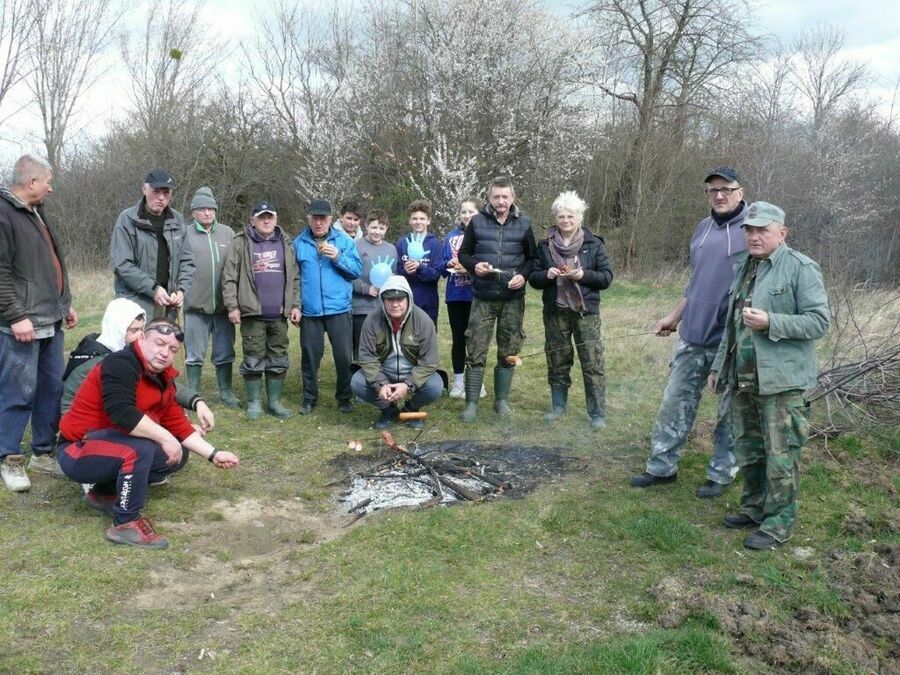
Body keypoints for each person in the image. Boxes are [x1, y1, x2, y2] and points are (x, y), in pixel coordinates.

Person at [57, 318, 240, 549]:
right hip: (76, 449)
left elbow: (178, 425)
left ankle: (104, 494)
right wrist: (166, 437)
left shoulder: (162, 378)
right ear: (141, 338)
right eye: (159, 343)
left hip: (109, 443)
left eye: (172, 349)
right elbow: (122, 413)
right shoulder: (120, 364)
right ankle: (125, 524)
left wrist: (214, 454)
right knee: (140, 449)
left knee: (176, 454)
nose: (164, 353)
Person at [709, 202, 829, 550]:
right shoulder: (744, 265)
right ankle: (755, 507)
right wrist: (719, 367)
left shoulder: (801, 269)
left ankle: (778, 524)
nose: (754, 236)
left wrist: (772, 322)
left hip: (783, 383)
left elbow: (819, 322)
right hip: (744, 377)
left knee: (781, 455)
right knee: (750, 450)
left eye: (762, 230)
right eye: (749, 229)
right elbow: (732, 325)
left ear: (782, 233)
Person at [630, 166, 748, 498]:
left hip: (731, 341)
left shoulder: (753, 229)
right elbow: (694, 281)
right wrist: (674, 317)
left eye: (726, 189)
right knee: (674, 402)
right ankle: (662, 468)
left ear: (740, 191)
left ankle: (722, 472)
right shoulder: (702, 229)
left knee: (729, 412)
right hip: (692, 335)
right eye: (712, 190)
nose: (719, 195)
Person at [0, 154, 78, 492]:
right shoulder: (4, 213)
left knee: (51, 389)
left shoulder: (35, 211)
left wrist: (65, 304)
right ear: (32, 183)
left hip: (50, 319)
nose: (50, 188)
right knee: (19, 391)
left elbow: (50, 263)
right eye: (47, 181)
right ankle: (9, 458)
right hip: (22, 324)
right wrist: (16, 315)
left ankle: (43, 453)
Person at [61, 298, 214, 436]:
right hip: (85, 431)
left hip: (108, 418)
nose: (140, 335)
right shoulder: (107, 362)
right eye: (133, 330)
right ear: (118, 329)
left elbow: (162, 383)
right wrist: (176, 430)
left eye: (142, 329)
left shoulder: (120, 352)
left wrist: (196, 401)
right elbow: (128, 409)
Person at [529, 191, 613, 430]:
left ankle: (597, 413)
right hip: (556, 311)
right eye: (561, 216)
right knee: (557, 359)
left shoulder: (593, 243)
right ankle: (558, 407)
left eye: (570, 216)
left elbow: (606, 277)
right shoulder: (545, 245)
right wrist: (547, 274)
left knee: (592, 362)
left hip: (586, 312)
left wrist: (583, 275)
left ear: (580, 217)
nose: (566, 220)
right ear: (555, 217)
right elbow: (533, 278)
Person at [457, 176, 537, 421]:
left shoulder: (524, 224)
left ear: (512, 198)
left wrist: (523, 276)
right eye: (496, 196)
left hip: (513, 299)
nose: (501, 201)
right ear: (489, 198)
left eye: (505, 196)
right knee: (476, 350)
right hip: (483, 297)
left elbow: (532, 259)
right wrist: (473, 267)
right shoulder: (477, 222)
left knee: (509, 350)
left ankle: (501, 401)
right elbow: (464, 253)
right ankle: (471, 404)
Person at [221, 201, 301, 420]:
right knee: (253, 356)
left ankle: (274, 402)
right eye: (262, 217)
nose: (266, 221)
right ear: (252, 220)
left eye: (270, 217)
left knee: (278, 356)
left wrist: (296, 305)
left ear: (276, 219)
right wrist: (232, 306)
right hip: (251, 312)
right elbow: (229, 277)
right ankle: (255, 402)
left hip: (279, 313)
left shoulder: (286, 242)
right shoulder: (240, 243)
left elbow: (294, 277)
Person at [293, 199, 362, 415]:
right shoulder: (298, 243)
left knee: (343, 357)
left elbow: (356, 271)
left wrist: (338, 258)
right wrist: (295, 305)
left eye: (323, 218)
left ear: (331, 220)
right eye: (315, 218)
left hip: (339, 309)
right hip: (310, 311)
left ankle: (344, 398)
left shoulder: (343, 242)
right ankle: (309, 398)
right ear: (309, 219)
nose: (319, 222)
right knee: (310, 357)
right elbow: (293, 278)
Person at [351, 276, 443, 430]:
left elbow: (429, 362)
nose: (395, 304)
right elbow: (366, 357)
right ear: (383, 300)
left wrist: (408, 385)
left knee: (435, 386)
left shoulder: (424, 320)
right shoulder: (372, 320)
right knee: (357, 382)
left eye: (400, 299)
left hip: (412, 371)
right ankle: (388, 409)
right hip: (384, 371)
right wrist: (380, 384)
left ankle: (411, 408)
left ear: (409, 299)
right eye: (389, 299)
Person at [110, 169, 195, 320]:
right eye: (156, 191)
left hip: (168, 304)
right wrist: (153, 289)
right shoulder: (127, 220)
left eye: (166, 192)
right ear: (144, 189)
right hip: (134, 303)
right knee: (136, 344)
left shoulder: (177, 220)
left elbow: (187, 261)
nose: (161, 197)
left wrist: (181, 291)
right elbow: (122, 264)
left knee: (164, 343)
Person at [182, 186, 239, 408]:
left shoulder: (227, 233)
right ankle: (192, 393)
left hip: (224, 306)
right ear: (194, 212)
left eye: (211, 209)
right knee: (194, 353)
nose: (207, 213)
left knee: (225, 351)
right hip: (195, 305)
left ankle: (225, 391)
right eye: (202, 209)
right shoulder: (184, 234)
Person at [443, 198, 485, 399]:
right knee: (458, 338)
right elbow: (443, 265)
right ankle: (459, 381)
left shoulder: (485, 235)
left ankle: (478, 381)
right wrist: (449, 262)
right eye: (464, 212)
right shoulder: (451, 237)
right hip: (456, 295)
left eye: (471, 212)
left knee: (477, 340)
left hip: (478, 295)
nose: (467, 216)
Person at [352, 209, 397, 358]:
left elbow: (394, 276)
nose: (377, 232)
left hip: (384, 308)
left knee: (382, 347)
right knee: (362, 348)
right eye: (374, 227)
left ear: (386, 229)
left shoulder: (391, 249)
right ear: (366, 226)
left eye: (381, 228)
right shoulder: (355, 246)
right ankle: (358, 379)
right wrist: (365, 288)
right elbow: (347, 276)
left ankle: (381, 379)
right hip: (361, 308)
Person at [395, 199, 444, 327]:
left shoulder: (435, 244)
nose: (418, 222)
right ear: (410, 221)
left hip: (428, 304)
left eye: (422, 218)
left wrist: (419, 267)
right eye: (415, 218)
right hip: (404, 303)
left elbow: (435, 274)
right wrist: (406, 271)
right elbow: (396, 272)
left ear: (429, 220)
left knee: (427, 343)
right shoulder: (402, 243)